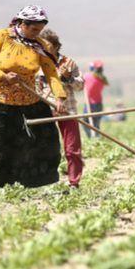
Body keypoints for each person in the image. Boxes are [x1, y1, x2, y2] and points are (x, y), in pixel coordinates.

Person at [0, 5, 67, 194]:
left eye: (40, 30)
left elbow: (52, 74)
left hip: (29, 101)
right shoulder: (1, 36)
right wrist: (3, 76)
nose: (37, 33)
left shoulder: (41, 46)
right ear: (22, 24)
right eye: (34, 29)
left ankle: (30, 183)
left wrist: (59, 97)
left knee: (46, 140)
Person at [35, 28, 85, 188]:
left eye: (48, 45)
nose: (44, 48)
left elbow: (80, 86)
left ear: (56, 46)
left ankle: (74, 183)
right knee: (46, 148)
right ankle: (45, 182)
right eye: (41, 45)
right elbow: (35, 89)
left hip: (68, 111)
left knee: (72, 149)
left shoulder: (68, 63)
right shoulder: (36, 63)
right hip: (46, 112)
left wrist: (68, 77)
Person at [82, 59, 108, 138]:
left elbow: (87, 88)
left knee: (85, 122)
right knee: (96, 124)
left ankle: (91, 137)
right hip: (99, 104)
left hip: (91, 104)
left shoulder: (88, 76)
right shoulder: (102, 78)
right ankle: (96, 138)